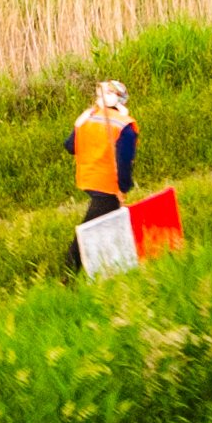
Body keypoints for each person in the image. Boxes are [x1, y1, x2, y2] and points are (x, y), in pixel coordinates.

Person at [65, 76, 138, 274]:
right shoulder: (126, 126)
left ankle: (114, 266)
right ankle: (69, 272)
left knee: (108, 221)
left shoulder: (88, 117)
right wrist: (122, 188)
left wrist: (79, 126)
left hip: (88, 179)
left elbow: (70, 146)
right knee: (90, 227)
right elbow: (124, 162)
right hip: (107, 185)